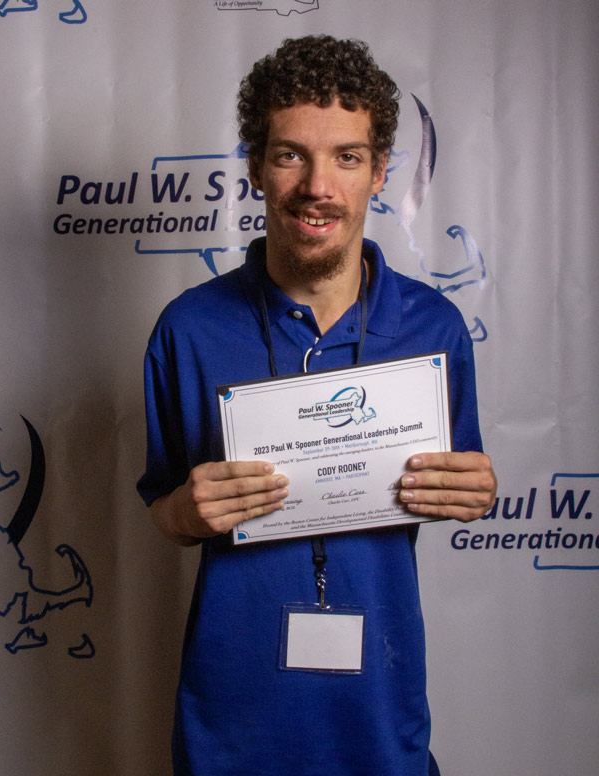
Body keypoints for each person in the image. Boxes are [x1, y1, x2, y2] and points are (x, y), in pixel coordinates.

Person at [137, 35, 497, 776]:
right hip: (231, 722)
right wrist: (186, 512)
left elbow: (455, 476)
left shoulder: (433, 329)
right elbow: (164, 510)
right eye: (290, 154)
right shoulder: (189, 328)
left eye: (347, 157)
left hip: (378, 713)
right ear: (256, 168)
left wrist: (474, 491)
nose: (317, 186)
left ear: (379, 173)